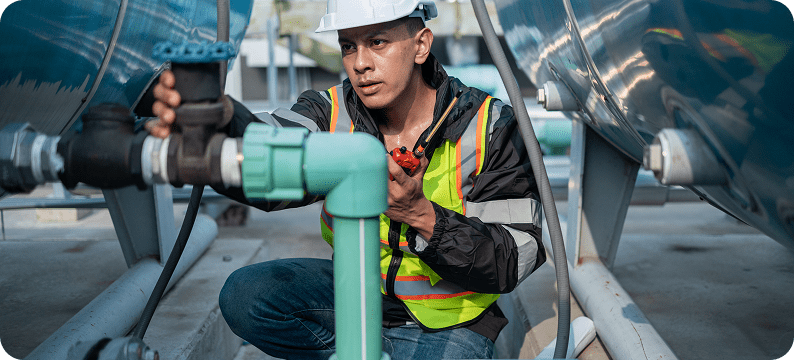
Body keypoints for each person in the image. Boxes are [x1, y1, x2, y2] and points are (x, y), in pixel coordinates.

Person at [148, 0, 545, 358]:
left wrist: (423, 216)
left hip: (451, 322)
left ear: (421, 45)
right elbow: (269, 153)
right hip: (356, 296)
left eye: (377, 42)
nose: (360, 63)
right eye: (348, 46)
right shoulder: (330, 111)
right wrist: (222, 118)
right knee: (246, 295)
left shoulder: (489, 127)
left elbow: (514, 256)